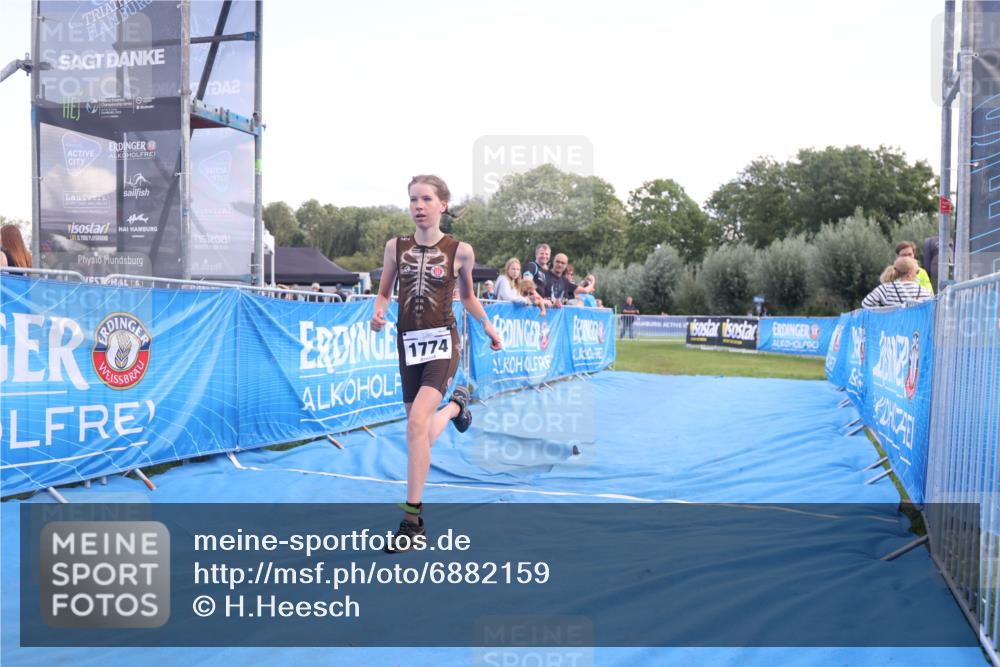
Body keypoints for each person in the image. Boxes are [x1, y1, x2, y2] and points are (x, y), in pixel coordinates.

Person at [370, 175, 502, 551]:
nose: (418, 205)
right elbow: (383, 292)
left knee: (414, 425)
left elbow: (469, 298)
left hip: (443, 344)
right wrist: (378, 313)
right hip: (407, 344)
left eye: (427, 198)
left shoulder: (460, 250)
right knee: (421, 434)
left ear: (443, 204)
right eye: (413, 199)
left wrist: (489, 327)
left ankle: (412, 521)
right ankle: (457, 407)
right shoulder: (395, 247)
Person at [861, 256, 934, 308]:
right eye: (917, 272)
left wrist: (882, 313)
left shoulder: (885, 289)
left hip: (891, 328)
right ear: (910, 273)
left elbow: (866, 303)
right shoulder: (926, 292)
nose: (917, 274)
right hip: (917, 329)